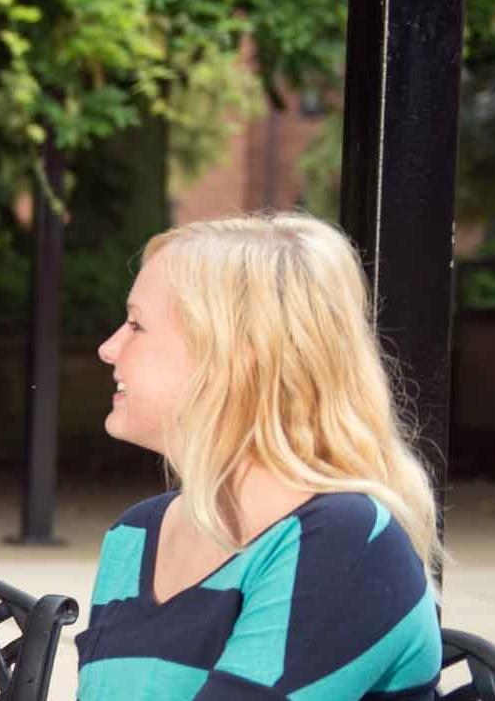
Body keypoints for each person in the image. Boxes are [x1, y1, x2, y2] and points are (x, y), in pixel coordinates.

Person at [74, 213, 443, 699]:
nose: (108, 348)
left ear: (238, 352)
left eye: (137, 324)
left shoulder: (346, 542)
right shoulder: (137, 535)